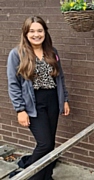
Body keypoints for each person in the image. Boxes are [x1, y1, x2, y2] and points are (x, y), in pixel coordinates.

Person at [7, 16, 70, 180]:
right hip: (33, 103)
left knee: (50, 144)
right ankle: (30, 175)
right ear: (26, 33)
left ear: (45, 32)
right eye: (32, 31)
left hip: (53, 101)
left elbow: (60, 77)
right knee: (44, 143)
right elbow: (13, 84)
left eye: (40, 30)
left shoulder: (52, 51)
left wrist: (64, 99)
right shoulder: (17, 54)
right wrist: (20, 109)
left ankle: (47, 176)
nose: (36, 34)